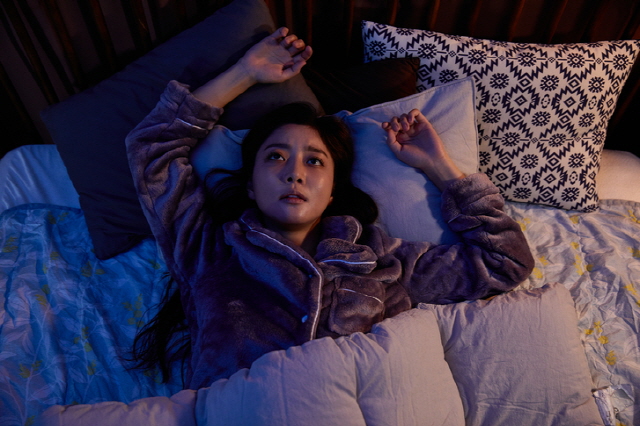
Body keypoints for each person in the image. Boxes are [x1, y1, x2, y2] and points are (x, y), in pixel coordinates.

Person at [125, 27, 535, 390]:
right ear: (250, 184)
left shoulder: (381, 259)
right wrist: (244, 73)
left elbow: (504, 262)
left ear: (333, 191)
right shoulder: (209, 249)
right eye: (275, 157)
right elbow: (152, 148)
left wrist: (438, 166)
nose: (294, 173)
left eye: (315, 161)